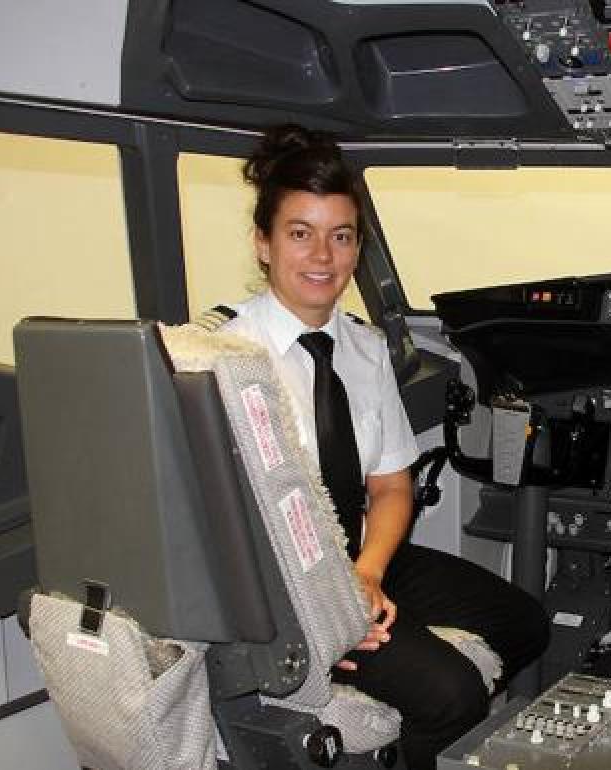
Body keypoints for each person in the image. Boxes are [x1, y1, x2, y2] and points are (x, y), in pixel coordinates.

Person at [218, 124, 550, 770]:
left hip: (360, 560)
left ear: (358, 246)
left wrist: (367, 572)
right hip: (283, 588)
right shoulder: (225, 359)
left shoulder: (366, 350)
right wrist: (331, 608)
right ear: (263, 244)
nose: (322, 256)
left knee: (524, 622)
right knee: (448, 693)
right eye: (299, 233)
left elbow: (391, 486)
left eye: (340, 236)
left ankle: (401, 673)